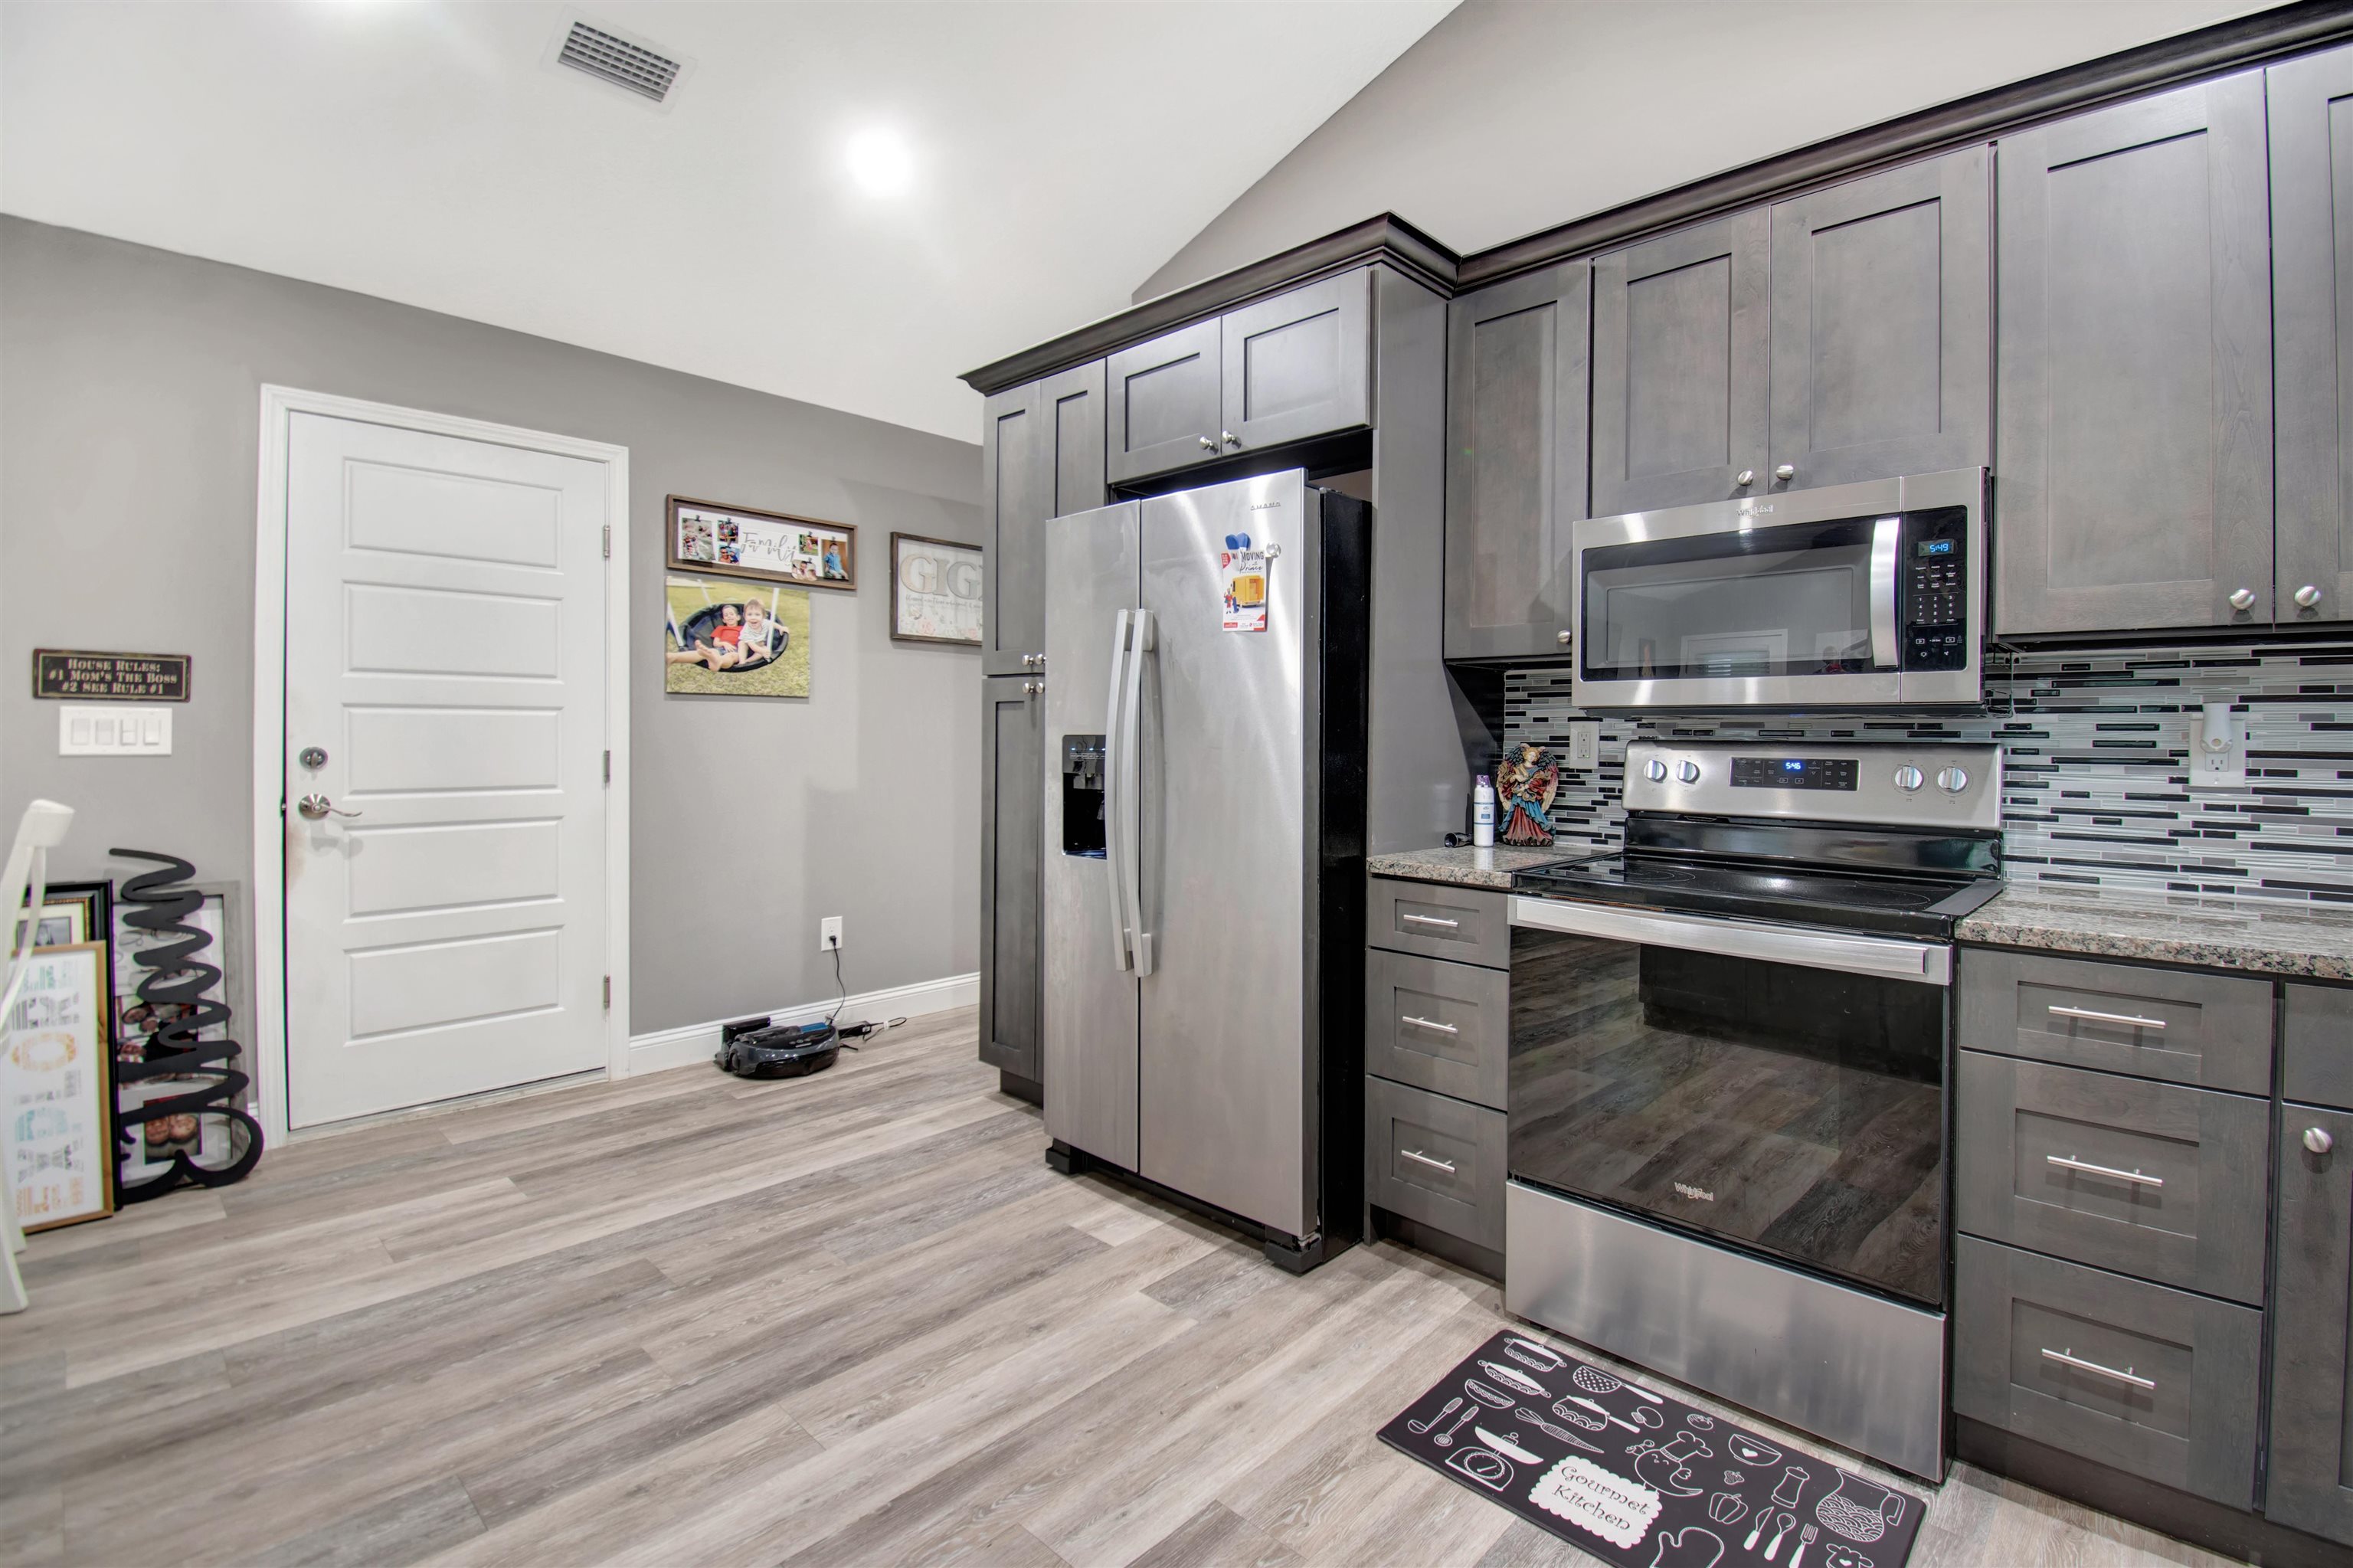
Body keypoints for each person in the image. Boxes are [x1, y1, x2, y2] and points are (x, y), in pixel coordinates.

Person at [666, 602, 743, 669]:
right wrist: (724, 644)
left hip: (736, 651)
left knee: (731, 656)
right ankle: (672, 657)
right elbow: (716, 643)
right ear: (724, 620)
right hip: (719, 649)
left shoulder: (743, 629)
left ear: (738, 617)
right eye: (726, 615)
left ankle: (718, 661)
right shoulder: (720, 629)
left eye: (731, 614)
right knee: (703, 653)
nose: (729, 616)